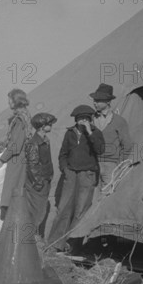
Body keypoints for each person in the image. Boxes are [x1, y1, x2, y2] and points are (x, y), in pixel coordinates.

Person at [47, 105, 105, 252]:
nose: (83, 121)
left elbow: (100, 150)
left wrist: (90, 132)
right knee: (63, 208)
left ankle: (72, 245)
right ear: (76, 119)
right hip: (71, 173)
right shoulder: (70, 133)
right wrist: (65, 169)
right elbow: (63, 154)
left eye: (86, 118)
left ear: (90, 120)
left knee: (81, 209)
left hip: (87, 174)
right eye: (80, 118)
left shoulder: (96, 133)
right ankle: (55, 244)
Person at [0, 89, 33, 220]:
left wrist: (1, 160)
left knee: (11, 193)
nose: (8, 102)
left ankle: (9, 229)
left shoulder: (20, 120)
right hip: (17, 159)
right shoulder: (23, 117)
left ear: (16, 101)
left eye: (10, 99)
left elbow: (16, 145)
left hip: (16, 160)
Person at [90, 83, 133, 198]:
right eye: (94, 100)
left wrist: (118, 163)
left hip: (110, 165)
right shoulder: (90, 120)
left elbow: (127, 144)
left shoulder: (119, 121)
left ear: (108, 101)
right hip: (92, 164)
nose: (94, 103)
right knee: (91, 198)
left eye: (98, 100)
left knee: (107, 196)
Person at [24, 112, 57, 240]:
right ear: (42, 126)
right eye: (49, 124)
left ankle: (34, 238)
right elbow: (32, 165)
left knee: (40, 210)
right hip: (37, 183)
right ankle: (29, 240)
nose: (51, 126)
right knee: (36, 212)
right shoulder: (34, 143)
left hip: (43, 180)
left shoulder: (44, 141)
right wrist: (38, 183)